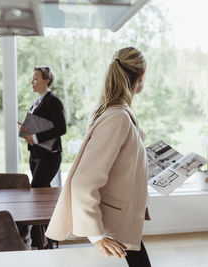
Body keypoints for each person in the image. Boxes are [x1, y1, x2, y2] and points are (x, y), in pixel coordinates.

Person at [45, 47, 151, 267]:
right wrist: (97, 236)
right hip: (113, 229)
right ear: (141, 77)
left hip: (121, 226)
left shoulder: (119, 113)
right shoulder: (118, 118)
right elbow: (83, 181)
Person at [19, 66, 66, 248]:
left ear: (47, 79)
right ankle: (47, 238)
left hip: (49, 156)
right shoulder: (38, 101)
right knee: (42, 196)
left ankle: (41, 239)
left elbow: (61, 128)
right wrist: (27, 131)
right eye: (32, 79)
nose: (33, 82)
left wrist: (35, 137)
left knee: (37, 191)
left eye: (36, 78)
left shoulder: (53, 101)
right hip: (36, 154)